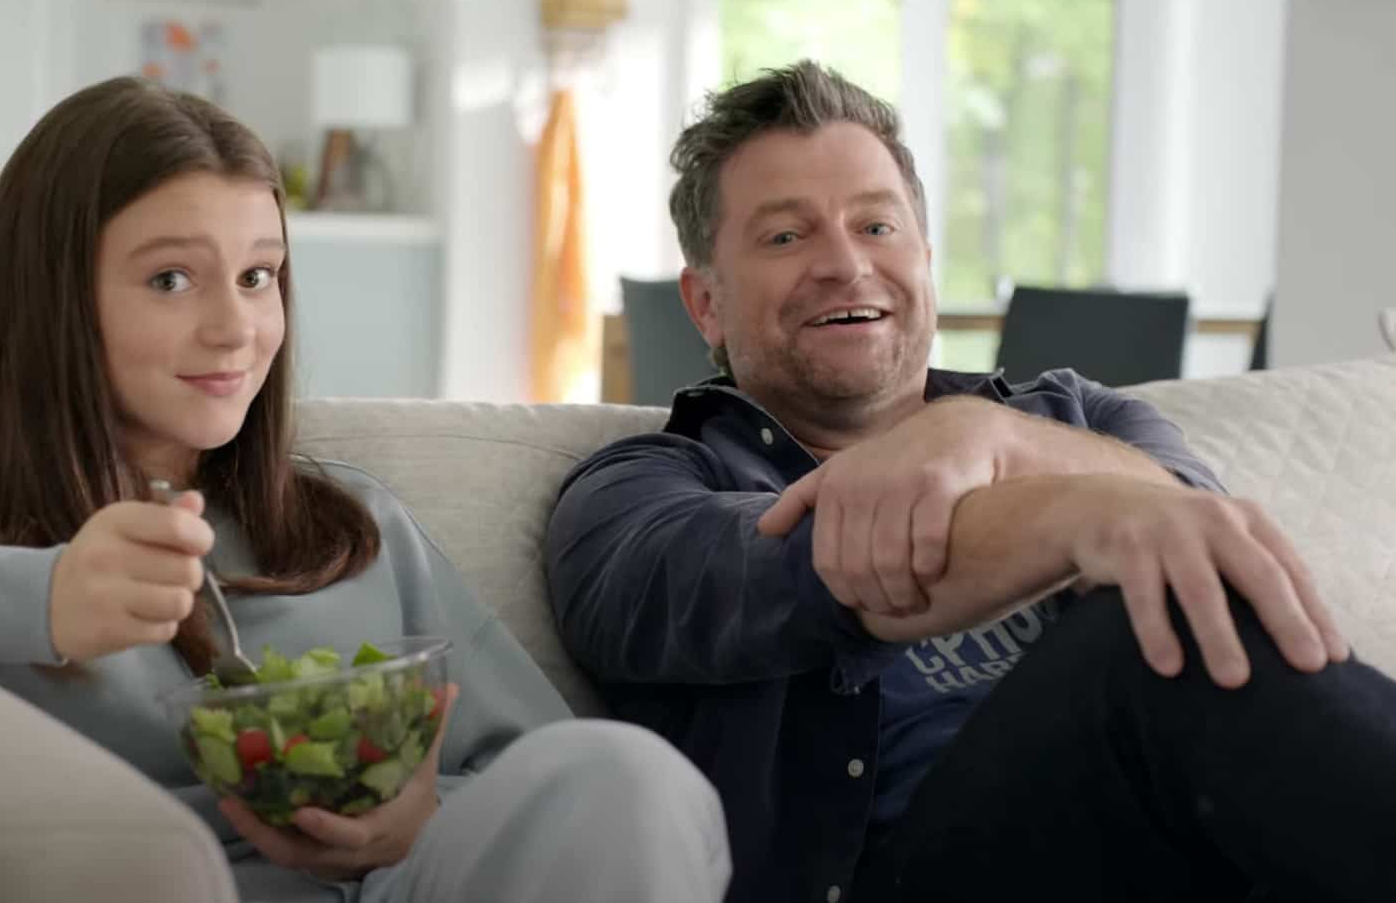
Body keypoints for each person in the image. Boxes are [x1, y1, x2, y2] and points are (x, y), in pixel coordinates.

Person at [0, 77, 731, 903]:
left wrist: (414, 819)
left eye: (260, 276)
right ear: (51, 300)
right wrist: (23, 596)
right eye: (171, 277)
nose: (236, 327)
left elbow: (533, 764)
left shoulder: (353, 525)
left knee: (624, 771)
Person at [544, 60, 1396, 903]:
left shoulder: (1071, 413)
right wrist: (1083, 515)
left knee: (1189, 601)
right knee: (1139, 635)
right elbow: (817, 570)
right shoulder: (638, 495)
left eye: (876, 226)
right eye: (785, 236)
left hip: (1193, 854)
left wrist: (988, 434)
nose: (845, 264)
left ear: (924, 256)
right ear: (706, 304)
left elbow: (1207, 537)